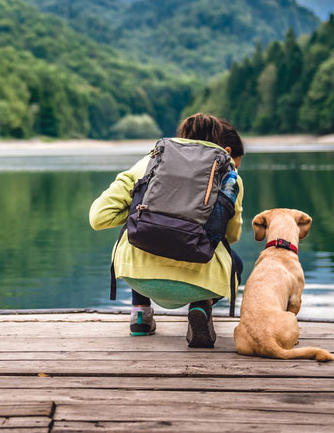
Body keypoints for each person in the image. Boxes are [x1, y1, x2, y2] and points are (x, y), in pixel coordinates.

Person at [89, 113, 245, 348]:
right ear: (219, 144)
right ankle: (201, 306)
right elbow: (231, 236)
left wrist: (141, 212)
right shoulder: (230, 176)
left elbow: (98, 218)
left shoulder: (148, 163)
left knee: (139, 232)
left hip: (139, 277)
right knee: (236, 262)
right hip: (198, 282)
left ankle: (140, 313)